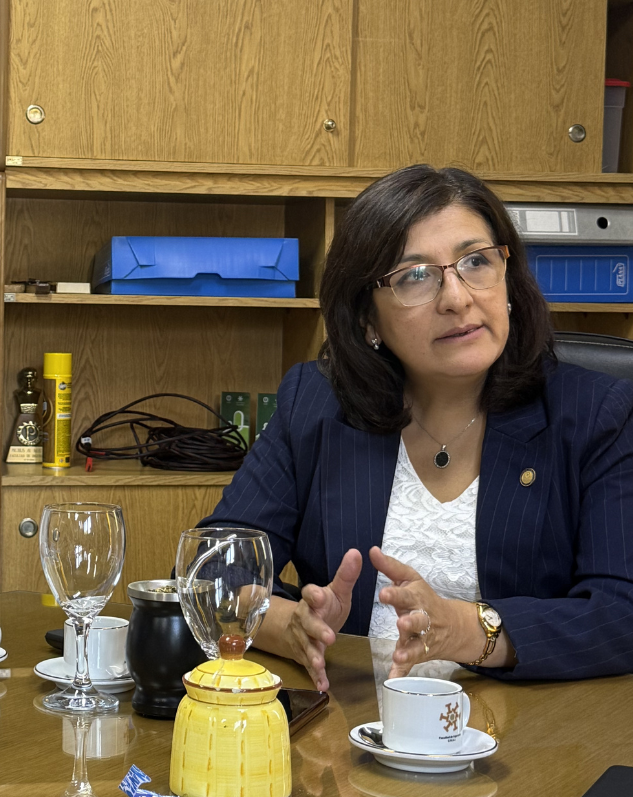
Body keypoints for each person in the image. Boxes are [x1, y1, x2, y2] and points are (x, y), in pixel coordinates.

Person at [205, 164, 633, 689]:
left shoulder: (597, 414)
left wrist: (472, 630)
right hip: (353, 733)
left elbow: (622, 612)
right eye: (415, 276)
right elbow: (210, 569)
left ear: (509, 277)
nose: (456, 297)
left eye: (476, 262)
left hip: (530, 740)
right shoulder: (315, 404)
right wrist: (287, 625)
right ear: (367, 320)